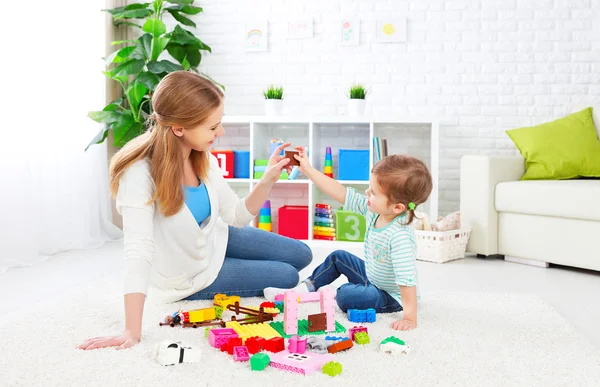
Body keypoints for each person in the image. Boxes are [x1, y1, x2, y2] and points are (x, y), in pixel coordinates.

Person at [78, 71, 312, 350]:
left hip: (216, 237)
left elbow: (235, 215)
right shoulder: (138, 174)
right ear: (179, 128)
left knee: (302, 254)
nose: (220, 133)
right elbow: (138, 251)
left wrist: (268, 178)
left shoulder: (201, 155)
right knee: (287, 276)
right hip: (188, 274)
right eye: (213, 127)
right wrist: (131, 330)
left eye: (219, 123)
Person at [264, 149, 432, 331]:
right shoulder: (375, 210)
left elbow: (406, 281)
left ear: (397, 207)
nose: (367, 193)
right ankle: (303, 289)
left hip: (391, 296)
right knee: (339, 257)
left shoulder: (400, 237)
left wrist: (409, 318)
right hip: (372, 277)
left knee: (345, 296)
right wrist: (308, 170)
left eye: (373, 192)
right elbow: (341, 193)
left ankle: (341, 292)